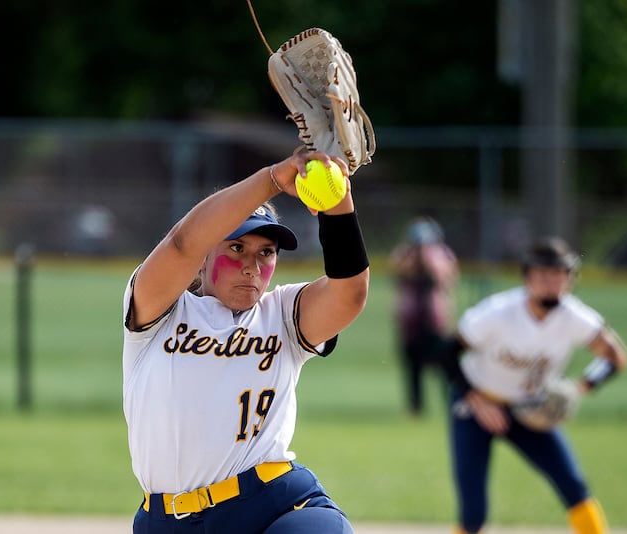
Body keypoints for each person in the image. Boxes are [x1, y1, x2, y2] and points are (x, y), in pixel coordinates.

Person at [122, 150, 369, 534]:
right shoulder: (161, 311)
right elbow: (181, 244)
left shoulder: (282, 315)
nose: (252, 266)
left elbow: (349, 293)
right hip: (165, 522)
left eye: (265, 252)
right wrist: (271, 179)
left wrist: (339, 201)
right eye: (236, 248)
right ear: (204, 257)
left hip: (273, 503)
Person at [440, 236, 627, 534]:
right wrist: (477, 400)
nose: (550, 282)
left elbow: (616, 356)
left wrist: (580, 387)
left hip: (530, 408)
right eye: (542, 275)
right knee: (474, 512)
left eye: (558, 275)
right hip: (475, 406)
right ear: (528, 278)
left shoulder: (575, 317)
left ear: (570, 278)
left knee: (574, 485)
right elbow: (448, 352)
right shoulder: (499, 312)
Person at [389, 216, 459, 415]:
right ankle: (416, 407)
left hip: (435, 320)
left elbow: (445, 277)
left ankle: (452, 403)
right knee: (413, 366)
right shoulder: (404, 255)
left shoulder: (442, 255)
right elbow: (398, 272)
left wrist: (428, 257)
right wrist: (413, 257)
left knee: (445, 364)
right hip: (411, 321)